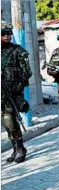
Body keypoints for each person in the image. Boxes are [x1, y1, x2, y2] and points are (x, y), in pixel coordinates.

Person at [1, 21, 32, 164]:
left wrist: (16, 86)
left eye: (9, 33)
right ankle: (15, 148)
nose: (7, 36)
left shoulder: (18, 51)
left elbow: (27, 72)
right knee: (6, 123)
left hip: (12, 93)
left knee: (11, 120)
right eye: (3, 34)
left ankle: (20, 148)